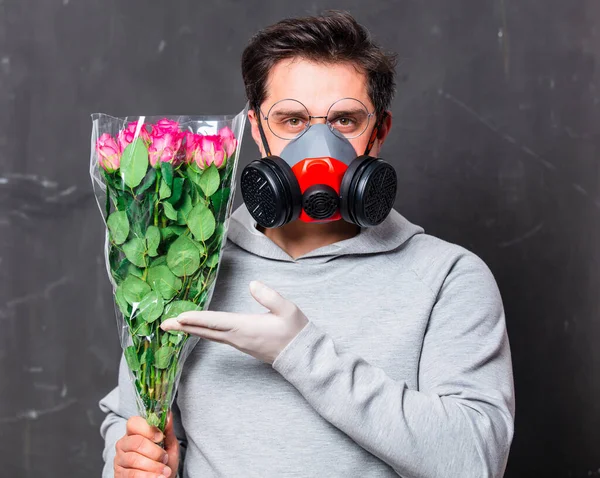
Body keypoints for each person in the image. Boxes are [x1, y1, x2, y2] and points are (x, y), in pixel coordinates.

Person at [99, 10, 515, 478]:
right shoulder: (185, 266)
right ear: (256, 129)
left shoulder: (449, 278)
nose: (319, 144)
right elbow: (128, 419)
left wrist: (300, 352)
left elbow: (476, 459)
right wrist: (140, 459)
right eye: (292, 119)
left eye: (344, 120)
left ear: (379, 131)